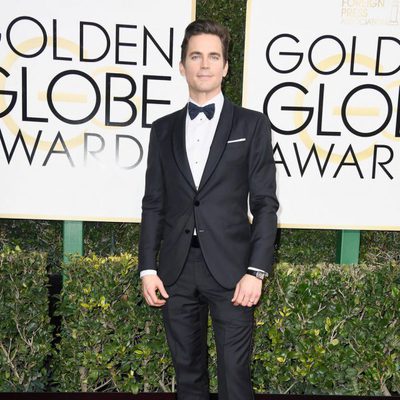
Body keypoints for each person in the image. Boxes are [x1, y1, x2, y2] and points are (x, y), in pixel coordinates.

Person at [138, 19, 278, 400]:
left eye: (213, 56)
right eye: (195, 56)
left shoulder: (252, 124)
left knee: (235, 377)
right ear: (182, 66)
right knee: (188, 376)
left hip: (233, 273)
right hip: (176, 271)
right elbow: (153, 203)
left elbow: (265, 204)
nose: (204, 64)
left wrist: (256, 272)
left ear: (226, 66)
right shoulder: (163, 129)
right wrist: (148, 267)